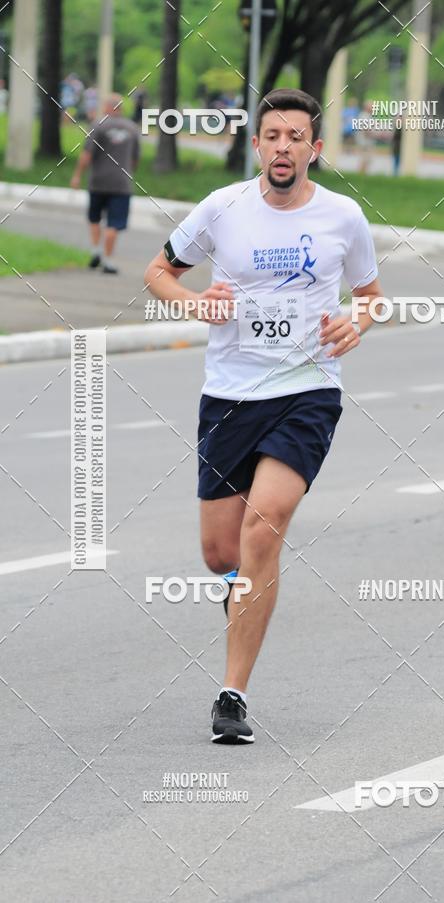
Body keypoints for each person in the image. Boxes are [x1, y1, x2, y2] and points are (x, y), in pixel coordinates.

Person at [144, 88, 383, 744]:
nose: (284, 146)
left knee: (263, 526)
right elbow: (158, 272)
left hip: (308, 391)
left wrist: (355, 322)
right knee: (221, 551)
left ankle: (232, 694)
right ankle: (246, 594)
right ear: (258, 146)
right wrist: (197, 303)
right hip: (229, 394)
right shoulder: (223, 208)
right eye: (272, 135)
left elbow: (370, 295)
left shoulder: (344, 217)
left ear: (315, 149)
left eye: (296, 136)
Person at [70, 93, 140, 274]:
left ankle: (96, 251)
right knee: (113, 224)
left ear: (108, 107)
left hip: (98, 181)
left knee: (94, 218)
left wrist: (77, 175)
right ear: (121, 108)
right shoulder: (132, 129)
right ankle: (108, 260)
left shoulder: (97, 126)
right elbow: (134, 160)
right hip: (121, 184)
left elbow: (87, 154)